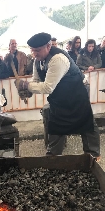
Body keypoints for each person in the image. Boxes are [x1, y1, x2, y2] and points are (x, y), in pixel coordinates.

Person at [14, 32, 100, 160]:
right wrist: (29, 90)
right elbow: (37, 81)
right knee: (55, 122)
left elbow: (48, 87)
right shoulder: (37, 61)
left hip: (77, 92)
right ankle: (53, 157)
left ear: (48, 46)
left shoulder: (57, 59)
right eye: (32, 50)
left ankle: (93, 155)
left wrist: (26, 85)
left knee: (85, 121)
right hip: (59, 96)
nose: (35, 54)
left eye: (38, 50)